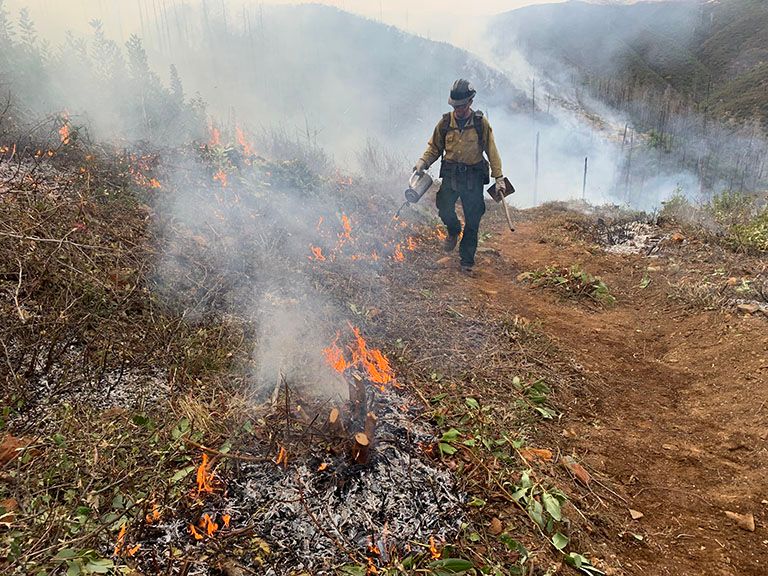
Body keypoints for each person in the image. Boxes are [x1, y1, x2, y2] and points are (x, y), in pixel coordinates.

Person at [414, 79, 505, 275]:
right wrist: (423, 163)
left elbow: (492, 151)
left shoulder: (481, 124)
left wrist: (499, 178)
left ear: (470, 102)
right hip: (451, 175)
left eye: (462, 106)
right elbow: (434, 148)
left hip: (473, 177)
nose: (458, 110)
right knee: (444, 207)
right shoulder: (445, 123)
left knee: (473, 219)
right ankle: (454, 230)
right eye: (455, 106)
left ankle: (466, 260)